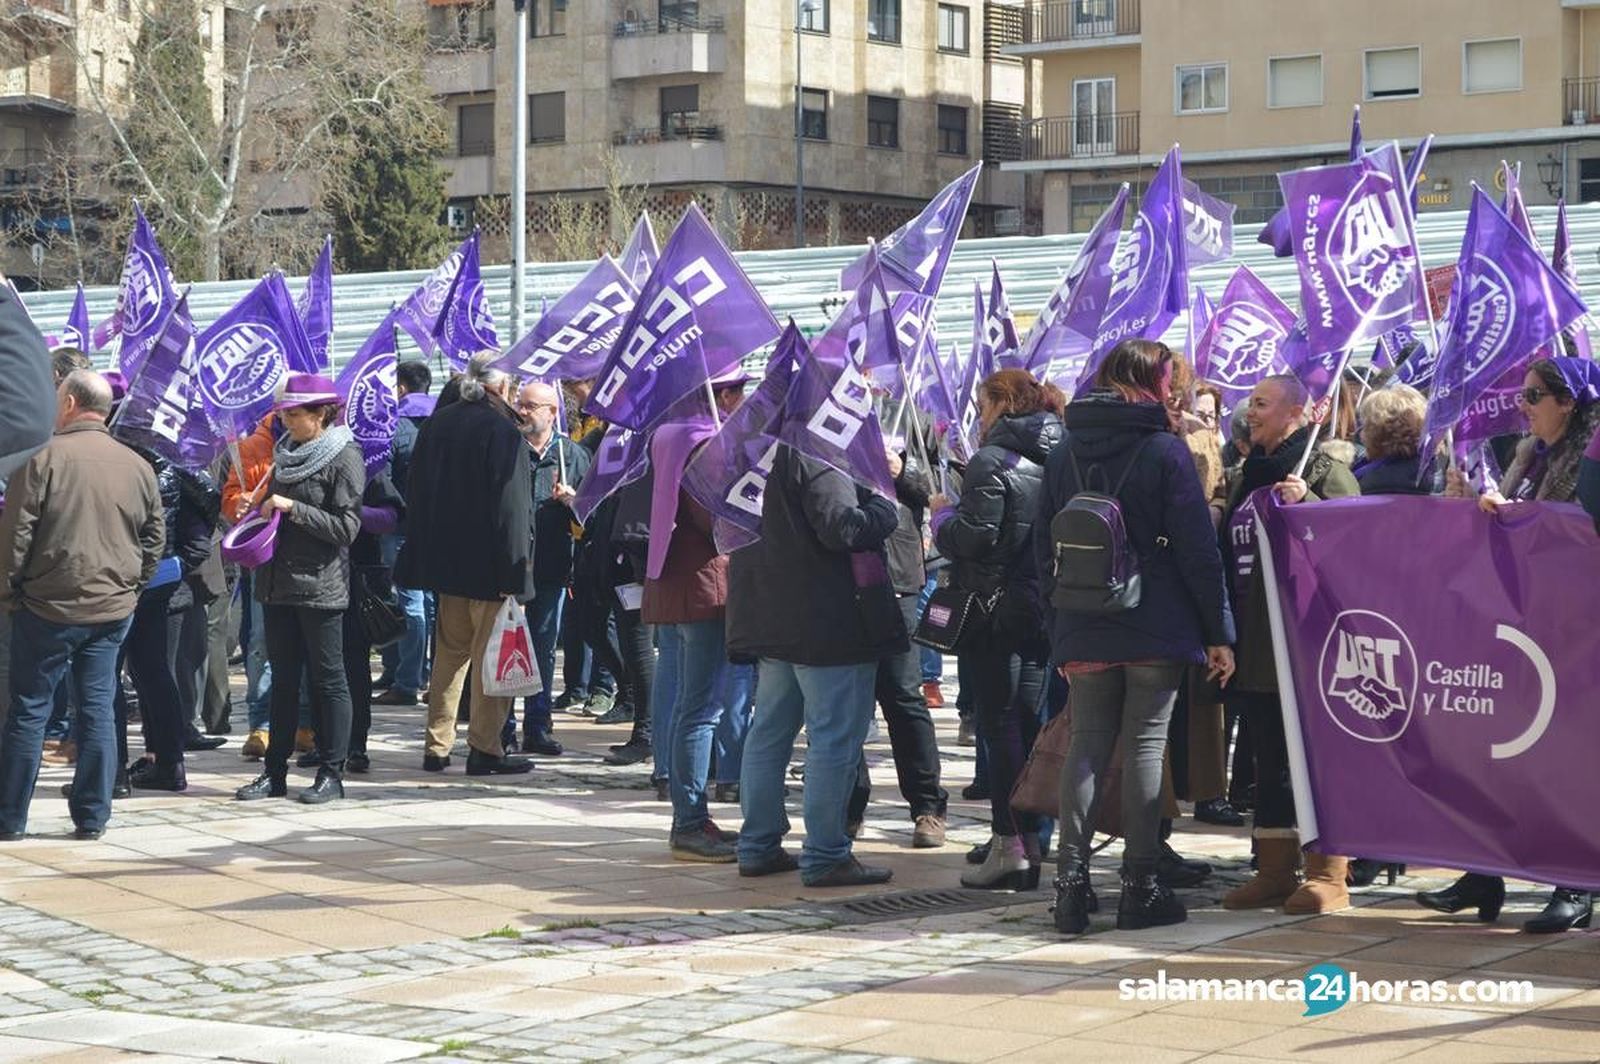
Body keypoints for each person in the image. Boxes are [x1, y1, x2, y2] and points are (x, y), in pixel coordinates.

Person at [1036, 340, 1235, 934]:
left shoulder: (1064, 447)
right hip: (1156, 617)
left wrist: (1057, 630)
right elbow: (1199, 550)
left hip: (1081, 619)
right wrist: (1218, 631)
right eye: (1169, 380)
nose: (1175, 390)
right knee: (1147, 745)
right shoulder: (1163, 451)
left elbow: (1040, 548)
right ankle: (1140, 885)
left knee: (1088, 744)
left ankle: (1070, 888)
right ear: (1153, 382)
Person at [1422, 357, 1600, 933]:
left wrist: (1523, 517)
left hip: (1573, 634)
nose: (1522, 406)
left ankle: (1573, 883)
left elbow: (1576, 532)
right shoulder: (1527, 458)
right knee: (1494, 753)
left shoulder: (1586, 462)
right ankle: (1482, 870)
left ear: (1569, 403)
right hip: (1519, 632)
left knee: (1568, 761)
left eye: (1534, 395)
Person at [728, 446, 903, 887]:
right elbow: (841, 528)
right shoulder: (815, 451)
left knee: (769, 731)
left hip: (773, 611)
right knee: (832, 739)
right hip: (824, 619)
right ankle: (825, 853)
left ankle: (759, 844)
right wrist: (885, 504)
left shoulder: (751, 445)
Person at [1219, 374, 1359, 915]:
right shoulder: (1244, 475)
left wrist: (1313, 504)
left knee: (1319, 757)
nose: (1249, 412)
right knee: (1267, 759)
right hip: (1255, 644)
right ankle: (1274, 869)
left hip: (1308, 644)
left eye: (1260, 403)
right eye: (1250, 403)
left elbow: (1357, 542)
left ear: (1296, 413)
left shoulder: (1326, 468)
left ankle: (1329, 872)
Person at [0, 370, 162, 841]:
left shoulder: (43, 458)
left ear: (69, 403)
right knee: (97, 710)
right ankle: (93, 816)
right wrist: (132, 587)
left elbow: (14, 538)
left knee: (30, 710)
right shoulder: (136, 465)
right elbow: (154, 539)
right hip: (110, 609)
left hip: (48, 606)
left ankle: (10, 817)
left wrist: (9, 592)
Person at [929, 368, 1062, 891]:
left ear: (1000, 404)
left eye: (983, 403)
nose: (979, 413)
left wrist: (942, 518)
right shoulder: (1059, 452)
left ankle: (1010, 844)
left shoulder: (992, 459)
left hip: (992, 609)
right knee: (1027, 723)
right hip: (1040, 605)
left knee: (1000, 726)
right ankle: (1028, 838)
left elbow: (976, 537)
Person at [396, 355, 535, 776]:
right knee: (492, 660)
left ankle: (436, 746)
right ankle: (485, 748)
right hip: (492, 570)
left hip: (445, 566)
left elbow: (415, 493)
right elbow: (513, 510)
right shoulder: (502, 431)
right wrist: (517, 574)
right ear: (498, 387)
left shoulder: (438, 423)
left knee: (449, 657)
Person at [236, 374, 364, 804]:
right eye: (284, 413)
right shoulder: (284, 455)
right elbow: (269, 514)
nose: (285, 421)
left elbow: (347, 529)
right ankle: (274, 774)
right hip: (276, 583)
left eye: (294, 414)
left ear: (320, 414)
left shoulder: (343, 457)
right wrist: (251, 509)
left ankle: (332, 772)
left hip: (321, 585)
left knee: (328, 680)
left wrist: (295, 507)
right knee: (283, 681)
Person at [646, 378, 746, 861]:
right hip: (703, 584)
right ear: (721, 394)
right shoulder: (706, 441)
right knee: (703, 708)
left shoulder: (669, 433)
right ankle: (689, 820)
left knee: (690, 703)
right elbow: (719, 519)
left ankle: (691, 815)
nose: (742, 400)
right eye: (738, 389)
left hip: (672, 580)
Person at [847, 431, 948, 850]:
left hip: (898, 580)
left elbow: (938, 492)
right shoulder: (817, 414)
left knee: (904, 698)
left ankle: (928, 806)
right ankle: (847, 808)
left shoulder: (911, 417)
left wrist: (902, 470)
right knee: (844, 703)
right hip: (841, 581)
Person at [118, 440, 221, 792]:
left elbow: (196, 546)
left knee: (128, 677)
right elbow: (197, 543)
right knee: (150, 676)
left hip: (140, 591)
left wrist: (151, 575)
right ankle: (162, 762)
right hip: (149, 590)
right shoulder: (176, 469)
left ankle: (123, 772)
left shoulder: (168, 472)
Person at [510, 380, 590, 756]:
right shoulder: (508, 450)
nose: (522, 411)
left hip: (552, 565)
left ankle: (537, 725)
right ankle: (501, 726)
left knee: (541, 648)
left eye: (530, 406)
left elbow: (593, 512)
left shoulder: (571, 454)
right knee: (508, 648)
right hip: (510, 566)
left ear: (552, 411)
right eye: (520, 405)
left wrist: (573, 502)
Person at [375, 360, 434, 708]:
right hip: (437, 527)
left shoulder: (395, 428)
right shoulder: (445, 420)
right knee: (426, 601)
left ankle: (406, 680)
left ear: (400, 388)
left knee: (406, 600)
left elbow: (381, 478)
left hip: (400, 526)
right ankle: (416, 671)